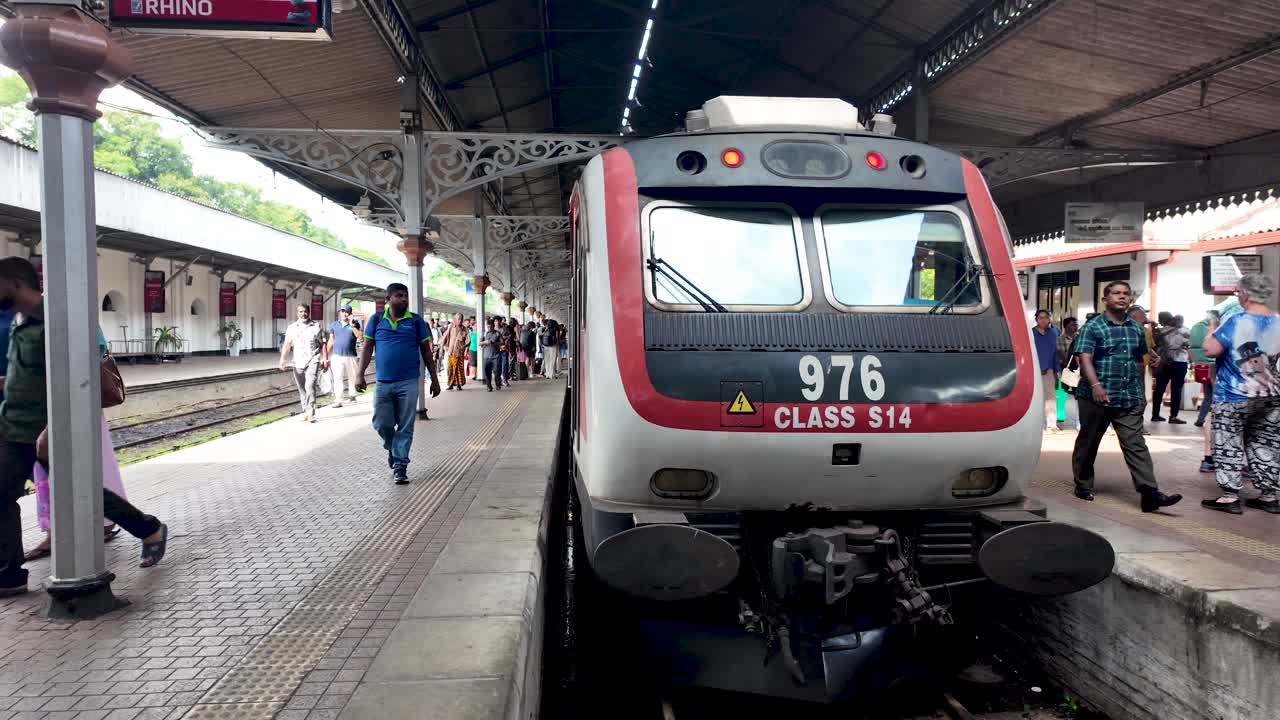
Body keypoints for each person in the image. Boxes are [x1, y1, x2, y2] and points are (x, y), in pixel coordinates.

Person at [0, 257, 168, 595]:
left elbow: (77, 379)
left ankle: (149, 529)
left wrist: (52, 428)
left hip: (43, 432)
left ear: (15, 282)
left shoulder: (55, 322)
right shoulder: (22, 321)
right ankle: (9, 574)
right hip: (13, 427)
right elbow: (33, 374)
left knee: (84, 494)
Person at [1070, 280, 1182, 512]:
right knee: (1089, 441)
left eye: (1126, 294)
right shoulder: (1093, 327)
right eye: (1116, 293)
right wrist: (1095, 385)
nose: (1122, 297)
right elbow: (1085, 359)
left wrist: (1153, 361)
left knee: (1136, 444)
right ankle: (1083, 484)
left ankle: (1150, 494)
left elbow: (1140, 356)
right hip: (1096, 396)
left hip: (1128, 396)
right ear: (1106, 299)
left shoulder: (1136, 328)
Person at [1200, 274, 1280, 515]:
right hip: (1271, 394)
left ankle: (1230, 496)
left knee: (1228, 441)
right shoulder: (1278, 320)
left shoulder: (1237, 319)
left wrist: (1212, 327)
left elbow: (1210, 349)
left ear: (1245, 294)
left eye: (1237, 293)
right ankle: (1268, 495)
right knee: (1264, 442)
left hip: (1234, 394)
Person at [355, 283, 440, 484]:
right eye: (399, 296)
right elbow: (367, 347)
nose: (403, 299)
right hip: (383, 383)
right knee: (381, 423)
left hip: (409, 382)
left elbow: (427, 352)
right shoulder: (376, 320)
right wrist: (360, 375)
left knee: (405, 425)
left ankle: (400, 465)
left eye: (405, 296)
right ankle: (393, 448)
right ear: (388, 299)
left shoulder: (416, 322)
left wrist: (434, 380)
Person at [279, 304, 328, 423]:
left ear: (309, 312)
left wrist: (324, 358)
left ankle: (311, 413)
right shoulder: (291, 328)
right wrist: (283, 359)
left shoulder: (316, 326)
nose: (303, 314)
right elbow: (287, 345)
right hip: (297, 362)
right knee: (302, 388)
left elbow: (323, 344)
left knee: (309, 386)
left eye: (305, 311)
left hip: (313, 359)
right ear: (297, 313)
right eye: (300, 311)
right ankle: (305, 410)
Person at [1151, 312, 1190, 424]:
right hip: (1179, 362)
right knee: (1176, 389)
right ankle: (1173, 416)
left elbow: (1153, 345)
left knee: (1159, 388)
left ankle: (1155, 415)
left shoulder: (1159, 331)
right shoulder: (1183, 330)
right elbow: (1188, 344)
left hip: (1163, 361)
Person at [1031, 309, 1060, 432]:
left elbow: (1055, 353)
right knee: (1034, 397)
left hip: (1049, 369)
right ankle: (1034, 423)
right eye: (1040, 317)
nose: (1043, 320)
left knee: (1050, 397)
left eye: (1046, 317)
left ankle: (1051, 424)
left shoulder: (1054, 333)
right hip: (1033, 370)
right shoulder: (1030, 333)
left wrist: (1056, 370)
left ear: (1049, 319)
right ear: (1036, 319)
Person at [327, 306, 360, 408]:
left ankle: (352, 396)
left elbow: (360, 336)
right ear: (340, 313)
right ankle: (338, 399)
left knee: (352, 377)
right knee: (338, 378)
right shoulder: (334, 325)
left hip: (351, 356)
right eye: (343, 312)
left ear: (350, 314)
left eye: (347, 312)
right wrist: (325, 355)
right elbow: (331, 340)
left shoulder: (355, 324)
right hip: (337, 355)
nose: (344, 314)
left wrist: (352, 325)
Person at [1056, 316, 1082, 431]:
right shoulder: (1059, 339)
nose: (1075, 327)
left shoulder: (1080, 338)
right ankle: (1060, 419)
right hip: (1065, 370)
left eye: (1076, 324)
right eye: (1072, 325)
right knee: (1062, 395)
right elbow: (1061, 355)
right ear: (1065, 326)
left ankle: (1079, 421)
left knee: (1079, 396)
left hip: (1077, 371)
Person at [439, 313, 470, 390]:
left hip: (459, 353)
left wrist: (463, 348)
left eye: (461, 319)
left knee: (459, 369)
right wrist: (442, 348)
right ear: (455, 319)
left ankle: (459, 384)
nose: (460, 321)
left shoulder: (465, 329)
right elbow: (444, 337)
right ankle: (450, 384)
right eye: (458, 319)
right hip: (451, 352)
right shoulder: (451, 327)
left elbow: (468, 341)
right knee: (451, 369)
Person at [481, 317, 503, 391]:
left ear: (494, 326)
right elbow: (480, 343)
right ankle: (489, 386)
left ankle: (497, 384)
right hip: (486, 356)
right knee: (487, 372)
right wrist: (485, 342)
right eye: (488, 326)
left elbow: (502, 343)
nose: (489, 328)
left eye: (491, 326)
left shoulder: (497, 333)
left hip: (496, 356)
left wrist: (494, 343)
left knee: (497, 371)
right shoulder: (484, 333)